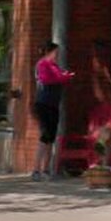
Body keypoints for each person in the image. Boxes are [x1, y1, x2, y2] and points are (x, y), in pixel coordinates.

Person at [29, 41, 73, 180]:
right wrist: (63, 76)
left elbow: (61, 79)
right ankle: (36, 170)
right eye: (56, 52)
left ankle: (46, 169)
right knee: (45, 136)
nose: (57, 55)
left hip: (53, 104)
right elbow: (47, 79)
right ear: (49, 52)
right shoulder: (42, 64)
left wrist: (65, 77)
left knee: (51, 138)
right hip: (43, 103)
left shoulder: (54, 66)